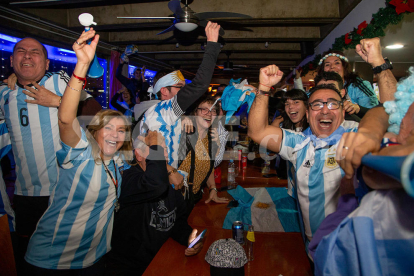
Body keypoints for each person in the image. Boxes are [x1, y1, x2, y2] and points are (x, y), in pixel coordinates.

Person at [25, 28, 133, 274]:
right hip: (52, 260)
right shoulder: (81, 152)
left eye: (121, 130)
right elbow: (65, 119)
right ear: (94, 132)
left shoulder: (119, 159)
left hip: (94, 259)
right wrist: (82, 66)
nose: (115, 135)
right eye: (108, 128)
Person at [248, 64, 359, 249]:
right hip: (314, 247)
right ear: (307, 114)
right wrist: (264, 89)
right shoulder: (299, 142)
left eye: (332, 104)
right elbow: (257, 131)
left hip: (353, 251)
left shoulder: (358, 135)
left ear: (343, 111)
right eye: (317, 105)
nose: (325, 110)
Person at [0, 37, 69, 269]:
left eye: (34, 52)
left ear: (47, 64)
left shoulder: (59, 82)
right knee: (29, 257)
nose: (27, 55)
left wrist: (59, 101)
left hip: (64, 189)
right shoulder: (3, 93)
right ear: (12, 60)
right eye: (21, 51)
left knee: (64, 252)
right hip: (26, 192)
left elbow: (91, 109)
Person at [107, 131, 203, 275]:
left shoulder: (167, 182)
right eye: (157, 149)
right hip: (130, 268)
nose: (164, 154)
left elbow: (176, 223)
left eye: (165, 149)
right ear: (138, 155)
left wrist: (190, 238)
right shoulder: (130, 180)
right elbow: (154, 184)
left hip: (161, 261)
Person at [139, 22, 221, 176]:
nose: (184, 91)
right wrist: (212, 44)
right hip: (160, 177)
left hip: (166, 176)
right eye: (179, 87)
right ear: (164, 90)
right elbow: (200, 85)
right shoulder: (162, 109)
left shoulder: (164, 112)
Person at [178, 97, 229, 215]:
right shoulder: (182, 130)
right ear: (195, 112)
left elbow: (208, 167)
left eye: (213, 110)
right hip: (173, 197)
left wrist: (212, 188)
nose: (209, 113)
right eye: (204, 109)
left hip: (194, 198)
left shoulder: (211, 137)